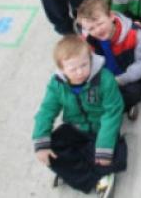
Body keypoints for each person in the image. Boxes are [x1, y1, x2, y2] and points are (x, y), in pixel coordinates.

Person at [33, 35, 125, 196]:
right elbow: (47, 111)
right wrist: (41, 140)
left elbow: (113, 112)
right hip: (75, 128)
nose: (80, 72)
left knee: (107, 152)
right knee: (51, 149)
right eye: (72, 69)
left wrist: (104, 146)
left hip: (100, 129)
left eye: (84, 65)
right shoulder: (57, 85)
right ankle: (90, 175)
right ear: (62, 69)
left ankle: (79, 173)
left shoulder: (105, 78)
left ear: (90, 58)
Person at [77, 0, 141, 120]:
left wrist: (122, 79)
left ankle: (118, 108)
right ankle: (97, 109)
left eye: (100, 24)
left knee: (133, 93)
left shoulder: (133, 34)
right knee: (86, 94)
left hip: (126, 77)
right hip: (103, 77)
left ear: (111, 16)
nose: (97, 30)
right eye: (91, 28)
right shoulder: (87, 41)